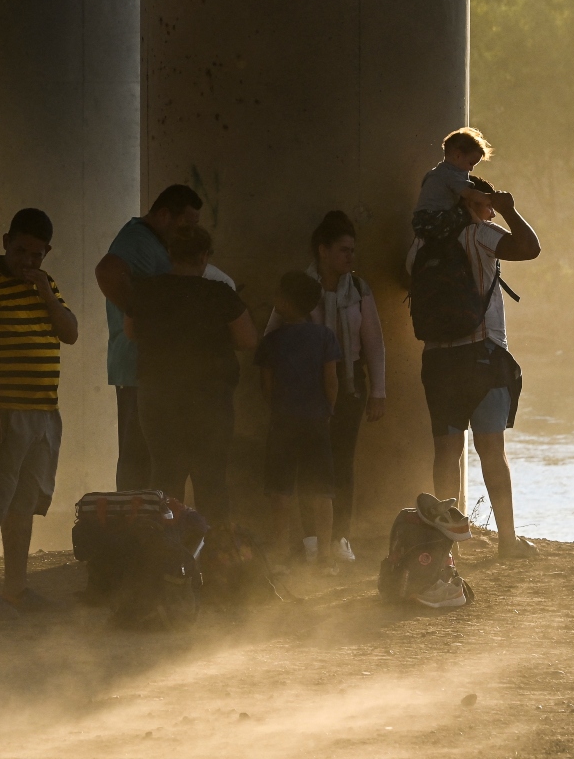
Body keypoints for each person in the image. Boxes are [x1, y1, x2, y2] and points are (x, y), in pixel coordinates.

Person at [406, 176, 542, 559]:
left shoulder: (420, 245)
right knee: (491, 451)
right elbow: (530, 248)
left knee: (447, 452)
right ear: (470, 204)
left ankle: (447, 546)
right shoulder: (479, 235)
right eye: (487, 204)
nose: (491, 211)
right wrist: (511, 209)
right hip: (482, 357)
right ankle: (508, 541)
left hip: (438, 360)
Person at [0, 209, 78, 620]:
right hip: (4, 412)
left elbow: (71, 332)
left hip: (43, 412)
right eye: (20, 250)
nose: (28, 260)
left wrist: (45, 293)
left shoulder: (47, 286)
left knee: (24, 503)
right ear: (6, 240)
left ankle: (17, 588)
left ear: (47, 252)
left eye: (37, 253)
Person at [264, 211, 387, 563]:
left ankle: (339, 538)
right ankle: (310, 540)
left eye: (353, 250)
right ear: (323, 250)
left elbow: (374, 343)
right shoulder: (300, 288)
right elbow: (272, 336)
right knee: (307, 464)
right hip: (305, 390)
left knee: (341, 462)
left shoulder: (359, 289)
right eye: (343, 250)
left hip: (348, 385)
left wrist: (378, 391)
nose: (351, 257)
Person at [122, 225, 257, 523]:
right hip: (209, 399)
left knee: (165, 475)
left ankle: (165, 556)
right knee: (210, 479)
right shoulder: (219, 293)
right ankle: (216, 558)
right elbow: (247, 339)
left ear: (170, 253)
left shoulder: (145, 290)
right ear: (204, 256)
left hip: (158, 396)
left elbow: (131, 331)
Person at [95, 184, 202, 490]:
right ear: (164, 215)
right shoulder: (137, 239)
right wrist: (143, 319)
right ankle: (132, 526)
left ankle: (147, 526)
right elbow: (106, 271)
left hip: (149, 371)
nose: (190, 234)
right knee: (136, 458)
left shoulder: (150, 241)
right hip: (136, 369)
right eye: (186, 225)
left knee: (152, 457)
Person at [256, 272, 343, 572]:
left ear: (287, 302)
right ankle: (326, 558)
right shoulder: (324, 337)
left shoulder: (271, 341)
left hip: (282, 422)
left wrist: (279, 408)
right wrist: (327, 411)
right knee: (321, 490)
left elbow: (266, 387)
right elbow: (331, 382)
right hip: (316, 421)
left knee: (280, 490)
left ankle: (279, 555)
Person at [412, 127, 497, 241]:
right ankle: (479, 226)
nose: (471, 169)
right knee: (466, 212)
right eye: (471, 163)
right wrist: (491, 199)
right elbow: (469, 194)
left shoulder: (435, 173)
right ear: (458, 155)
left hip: (421, 221)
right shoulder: (450, 175)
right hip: (433, 219)